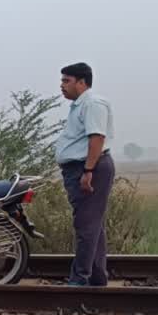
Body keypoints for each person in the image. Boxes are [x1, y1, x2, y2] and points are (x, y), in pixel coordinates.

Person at [55, 62, 115, 286]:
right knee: (93, 225)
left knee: (86, 226)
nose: (62, 86)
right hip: (80, 169)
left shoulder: (92, 104)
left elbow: (96, 138)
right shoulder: (79, 106)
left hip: (90, 168)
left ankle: (79, 281)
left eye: (66, 81)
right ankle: (97, 278)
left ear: (81, 82)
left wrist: (88, 170)